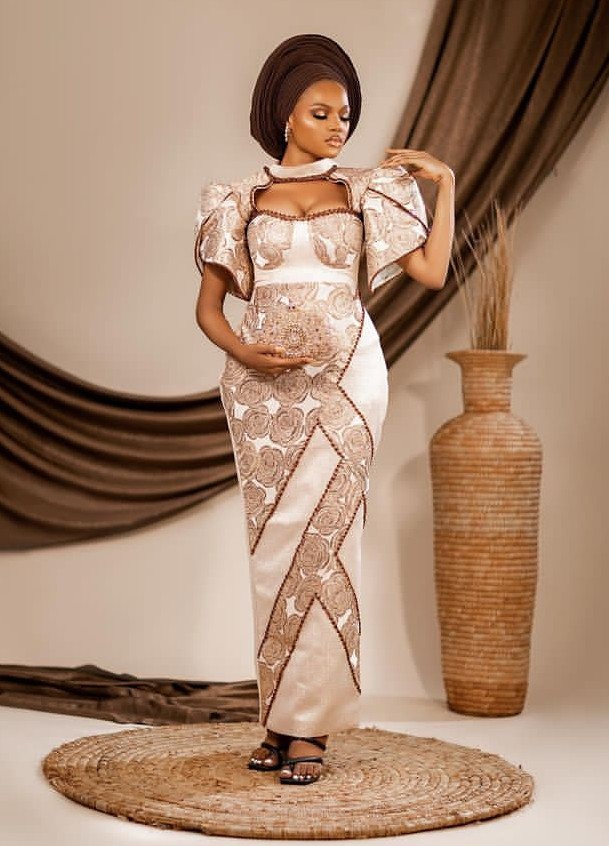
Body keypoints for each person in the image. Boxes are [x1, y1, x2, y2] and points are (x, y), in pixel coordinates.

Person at [194, 33, 454, 786]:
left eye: (345, 114)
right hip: (261, 396)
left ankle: (313, 729)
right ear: (286, 115)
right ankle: (280, 721)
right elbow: (209, 309)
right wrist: (244, 354)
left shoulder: (368, 191)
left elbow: (431, 272)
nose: (339, 126)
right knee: (273, 548)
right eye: (321, 113)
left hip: (348, 381)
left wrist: (445, 183)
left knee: (329, 542)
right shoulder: (236, 200)